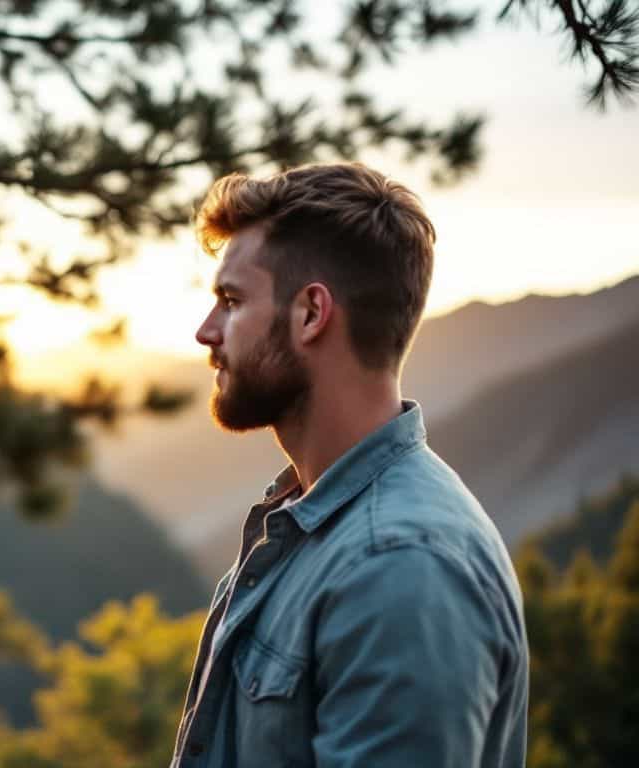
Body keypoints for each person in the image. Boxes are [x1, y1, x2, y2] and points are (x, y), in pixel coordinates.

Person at [169, 162, 529, 767]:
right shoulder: (303, 521)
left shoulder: (400, 566)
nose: (206, 332)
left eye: (231, 301)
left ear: (311, 314)